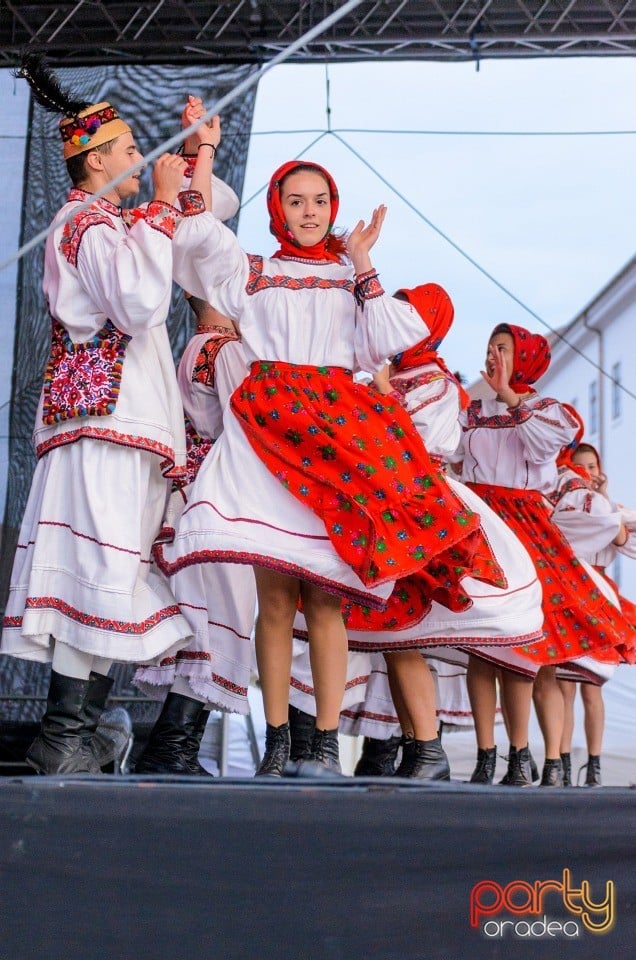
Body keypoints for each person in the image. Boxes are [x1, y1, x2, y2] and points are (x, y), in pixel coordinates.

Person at [159, 145, 499, 776]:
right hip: (271, 428)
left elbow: (394, 339)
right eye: (296, 200)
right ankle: (278, 737)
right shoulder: (253, 270)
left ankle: (320, 741)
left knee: (326, 597)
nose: (309, 212)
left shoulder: (350, 278)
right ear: (278, 210)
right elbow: (192, 243)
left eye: (320, 201)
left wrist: (364, 260)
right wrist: (201, 152)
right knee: (275, 597)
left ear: (333, 208)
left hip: (337, 432)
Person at [0, 56, 201, 774]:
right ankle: (64, 735)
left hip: (119, 426)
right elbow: (142, 303)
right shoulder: (85, 226)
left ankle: (73, 736)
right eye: (125, 150)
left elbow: (208, 219)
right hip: (103, 426)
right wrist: (162, 203)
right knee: (100, 572)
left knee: (105, 576)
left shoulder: (109, 223)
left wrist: (194, 162)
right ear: (94, 161)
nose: (138, 158)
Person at [325, 286, 545, 781]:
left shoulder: (436, 383)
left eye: (407, 317)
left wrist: (379, 393)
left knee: (405, 631)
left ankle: (428, 749)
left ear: (428, 325)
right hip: (385, 508)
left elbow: (414, 443)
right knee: (396, 637)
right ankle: (421, 749)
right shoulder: (389, 374)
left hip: (421, 511)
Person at [452, 323, 633, 787]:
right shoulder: (469, 413)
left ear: (526, 359)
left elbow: (550, 442)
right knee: (481, 646)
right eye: (491, 347)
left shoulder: (545, 410)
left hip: (526, 528)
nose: (495, 355)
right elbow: (451, 453)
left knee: (536, 652)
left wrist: (511, 396)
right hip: (483, 527)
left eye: (505, 349)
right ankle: (490, 755)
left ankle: (548, 759)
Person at [133, 293, 257, 774]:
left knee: (206, 619)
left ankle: (175, 747)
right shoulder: (223, 352)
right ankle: (171, 747)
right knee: (218, 616)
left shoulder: (196, 347)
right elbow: (251, 423)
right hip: (219, 500)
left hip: (198, 496)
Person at [550, 437, 636, 786]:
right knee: (566, 686)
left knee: (593, 687)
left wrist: (603, 497)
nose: (587, 472)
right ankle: (563, 761)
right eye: (580, 466)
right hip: (571, 592)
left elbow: (620, 539)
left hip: (599, 598)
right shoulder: (567, 506)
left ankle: (594, 765)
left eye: (592, 466)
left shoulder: (608, 507)